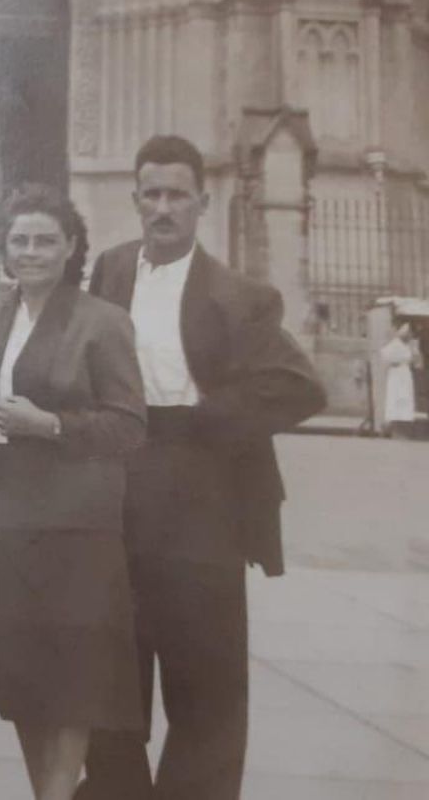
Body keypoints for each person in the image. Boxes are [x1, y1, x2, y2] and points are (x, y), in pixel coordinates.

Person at [77, 135, 326, 800]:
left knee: (205, 678)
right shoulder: (111, 270)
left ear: (201, 203)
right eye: (151, 195)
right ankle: (113, 790)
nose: (163, 208)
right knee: (112, 663)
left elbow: (300, 387)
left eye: (177, 196)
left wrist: (207, 419)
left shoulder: (239, 294)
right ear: (134, 201)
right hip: (119, 485)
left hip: (202, 492)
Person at [0, 185, 147, 800]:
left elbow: (131, 426)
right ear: (2, 248)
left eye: (45, 240)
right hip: (2, 516)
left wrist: (52, 424)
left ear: (71, 247)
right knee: (24, 682)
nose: (30, 251)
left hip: (72, 528)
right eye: (19, 240)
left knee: (70, 684)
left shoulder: (102, 322)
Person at [380, 322, 419, 438]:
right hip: (396, 374)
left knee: (404, 397)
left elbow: (415, 360)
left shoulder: (409, 346)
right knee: (394, 397)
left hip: (405, 374)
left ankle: (404, 421)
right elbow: (385, 355)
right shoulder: (395, 344)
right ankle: (391, 423)